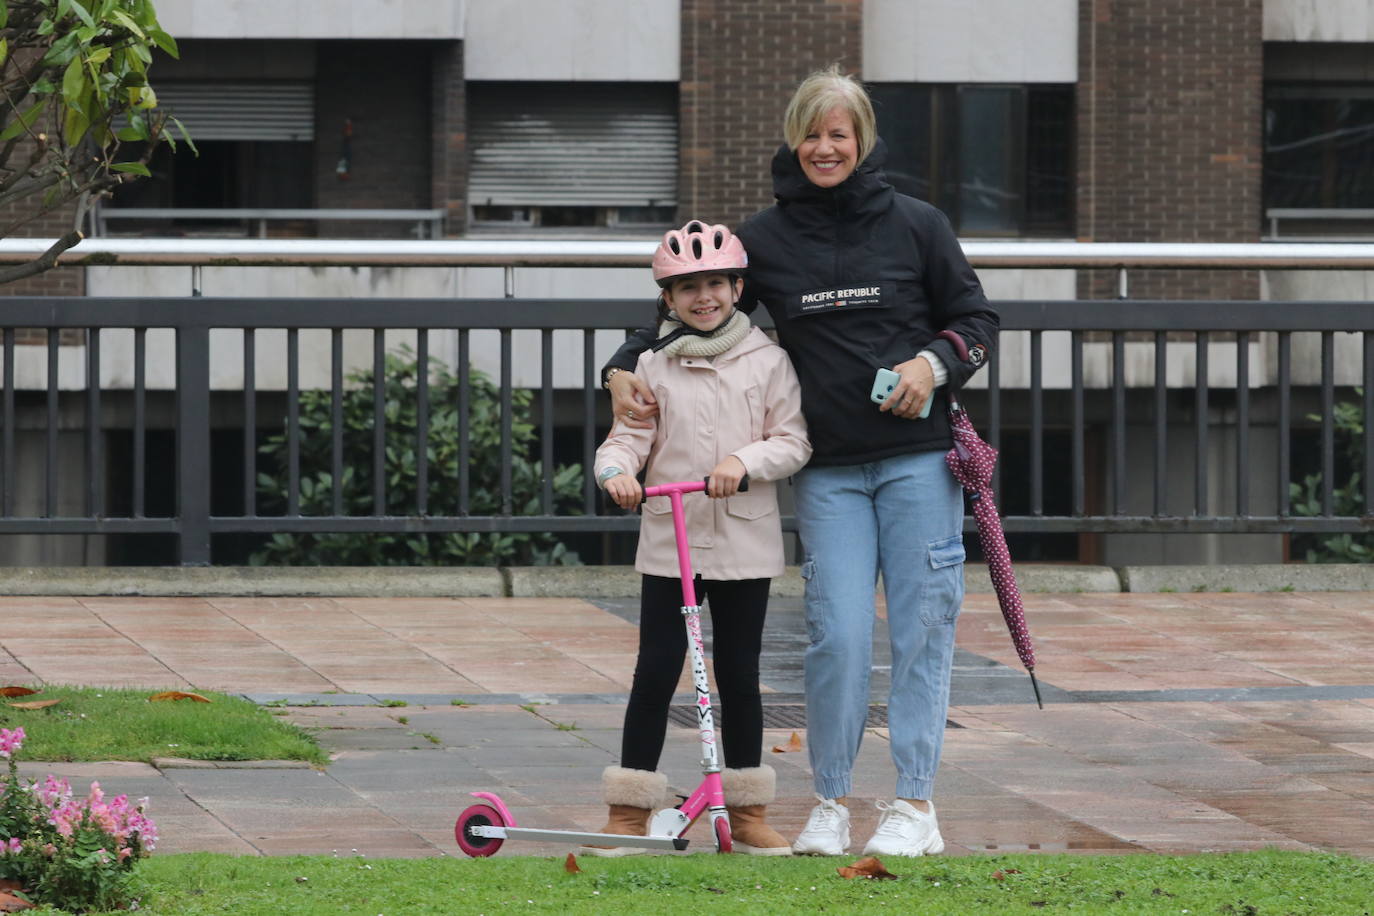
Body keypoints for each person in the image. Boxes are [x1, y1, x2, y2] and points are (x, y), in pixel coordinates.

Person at [601, 65, 998, 857]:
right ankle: (830, 800)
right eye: (811, 133)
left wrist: (932, 365)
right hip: (830, 472)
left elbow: (976, 318)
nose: (825, 148)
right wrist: (619, 365)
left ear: (863, 142)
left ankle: (915, 805)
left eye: (839, 134)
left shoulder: (918, 224)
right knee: (838, 639)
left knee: (923, 630)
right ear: (794, 139)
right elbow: (695, 310)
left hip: (919, 461)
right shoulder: (767, 240)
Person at [586, 220, 812, 857]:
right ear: (667, 299)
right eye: (687, 288)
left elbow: (792, 439)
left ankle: (746, 810)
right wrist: (617, 473)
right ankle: (629, 811)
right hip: (671, 540)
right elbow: (627, 438)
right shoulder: (652, 365)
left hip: (742, 541)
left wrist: (744, 463)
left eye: (715, 283)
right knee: (655, 671)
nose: (702, 297)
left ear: (738, 288)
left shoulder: (769, 361)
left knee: (738, 673)